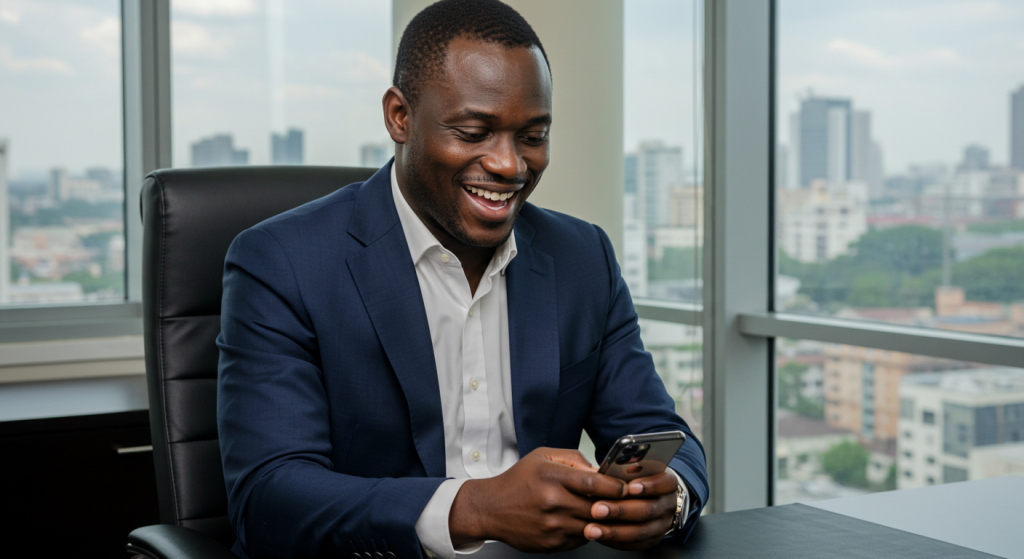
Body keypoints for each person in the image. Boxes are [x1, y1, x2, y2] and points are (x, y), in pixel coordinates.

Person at [216, 1, 708, 558]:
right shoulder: (282, 262)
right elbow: (269, 496)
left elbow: (664, 436)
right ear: (400, 117)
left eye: (532, 136)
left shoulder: (581, 257)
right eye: (474, 131)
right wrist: (474, 508)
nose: (509, 165)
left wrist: (670, 500)